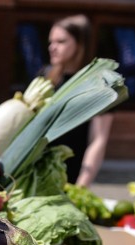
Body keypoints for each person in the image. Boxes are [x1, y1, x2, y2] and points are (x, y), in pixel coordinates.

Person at [41, 14, 113, 187]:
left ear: (80, 43)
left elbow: (99, 139)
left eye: (61, 42)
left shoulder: (99, 84)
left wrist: (81, 186)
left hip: (70, 175)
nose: (53, 47)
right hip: (36, 170)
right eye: (51, 42)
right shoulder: (45, 76)